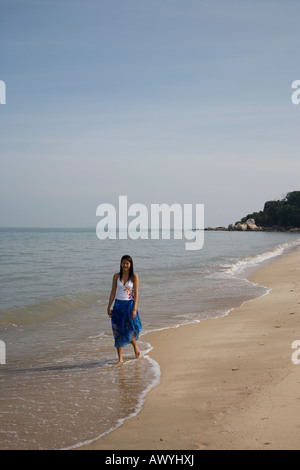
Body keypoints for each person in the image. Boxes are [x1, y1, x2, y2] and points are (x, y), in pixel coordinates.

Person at [107, 255, 142, 364]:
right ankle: (120, 359)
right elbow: (113, 292)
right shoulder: (116, 276)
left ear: (130, 265)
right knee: (118, 331)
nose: (125, 265)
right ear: (120, 264)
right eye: (123, 263)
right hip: (118, 306)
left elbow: (136, 294)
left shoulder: (134, 277)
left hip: (129, 306)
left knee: (128, 329)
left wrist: (134, 309)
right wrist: (109, 306)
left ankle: (135, 346)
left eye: (127, 263)